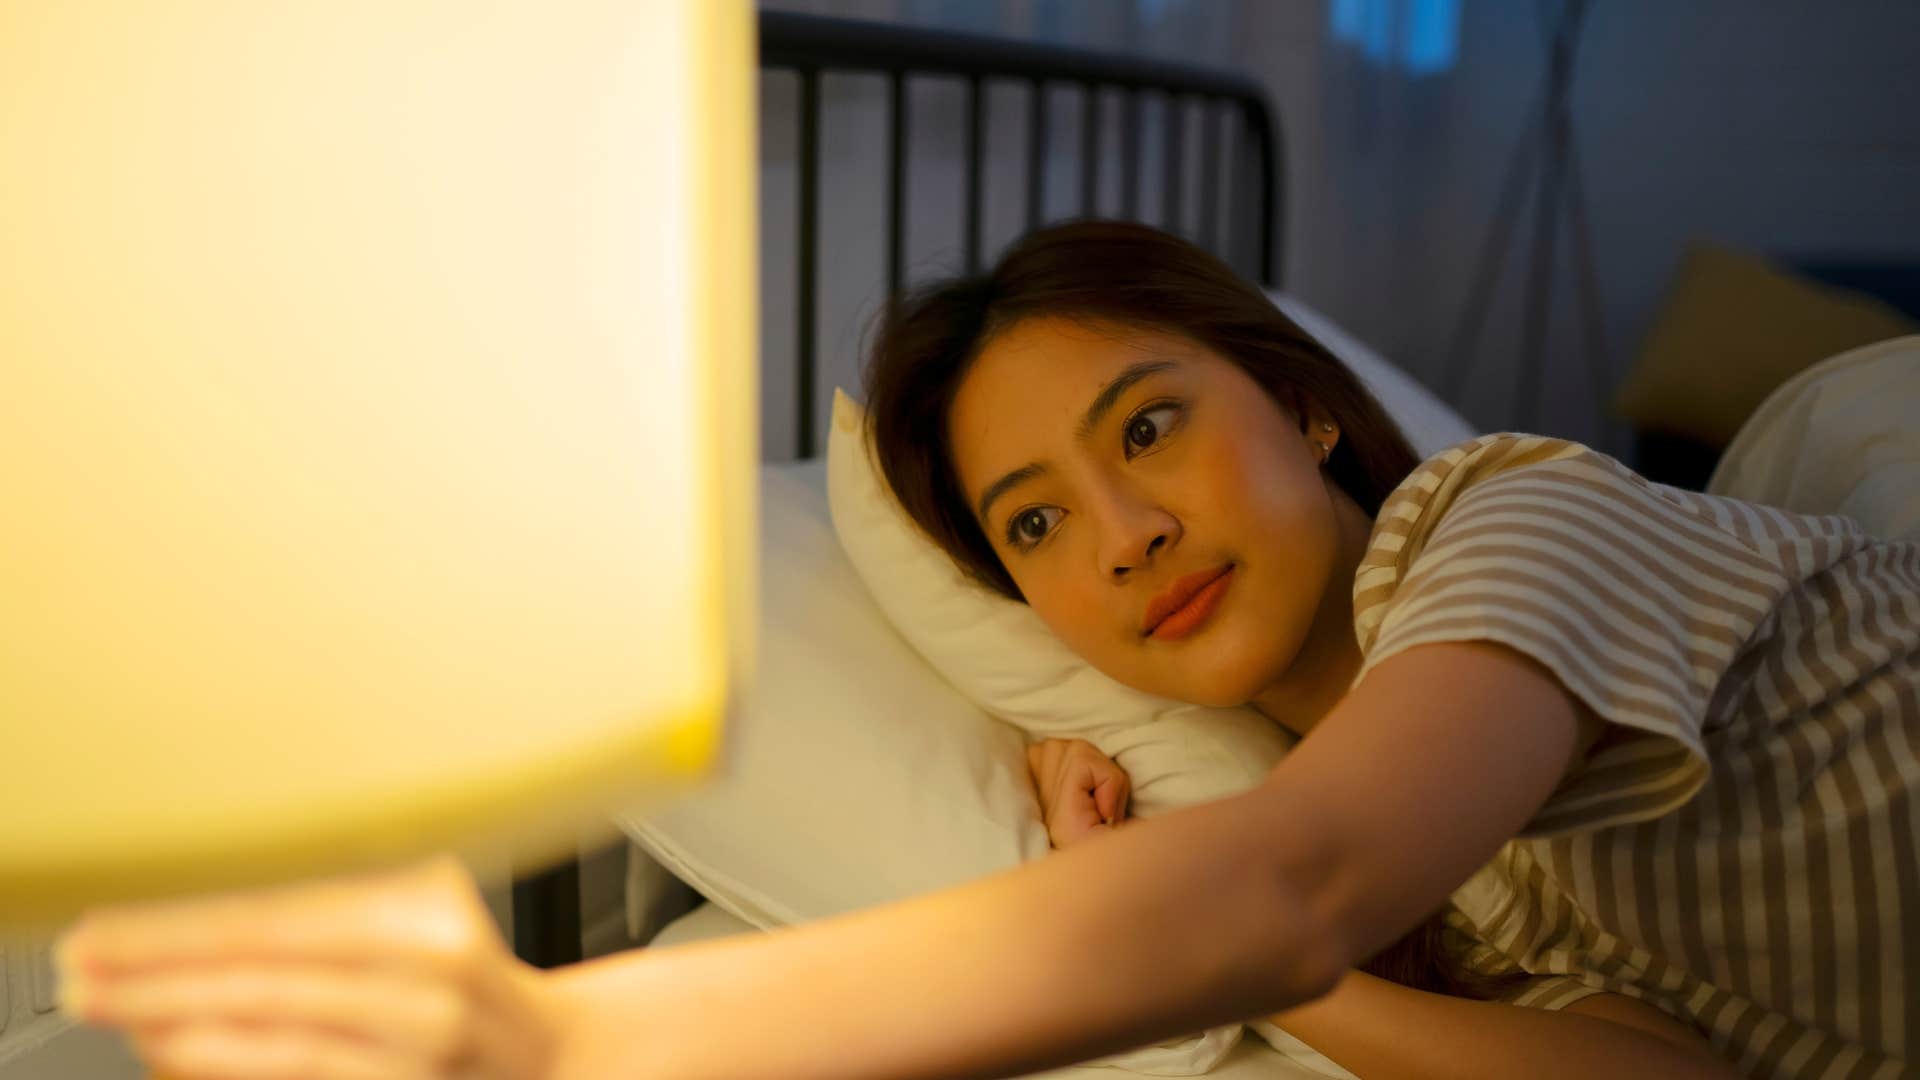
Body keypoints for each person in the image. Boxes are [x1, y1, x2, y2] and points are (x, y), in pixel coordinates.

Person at [56, 222, 1915, 1079]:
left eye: (1148, 428)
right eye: (1032, 525)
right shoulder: (1452, 883)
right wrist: (1295, 980)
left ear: (1302, 406)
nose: (1123, 536)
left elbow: (1298, 877)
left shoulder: (1517, 518)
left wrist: (568, 1035)